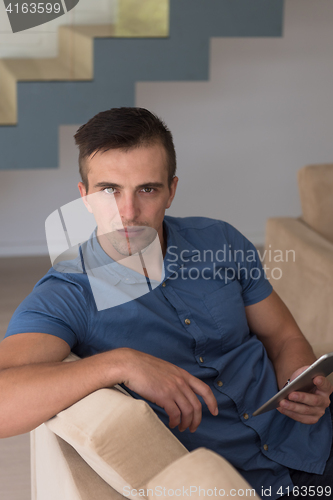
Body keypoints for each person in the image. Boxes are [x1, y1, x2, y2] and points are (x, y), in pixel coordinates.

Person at [0, 107, 332, 500]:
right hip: (233, 481)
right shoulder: (68, 292)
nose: (127, 213)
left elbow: (282, 336)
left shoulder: (219, 239)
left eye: (147, 189)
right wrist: (119, 362)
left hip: (312, 435)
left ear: (171, 190)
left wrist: (301, 383)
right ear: (84, 197)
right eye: (109, 190)